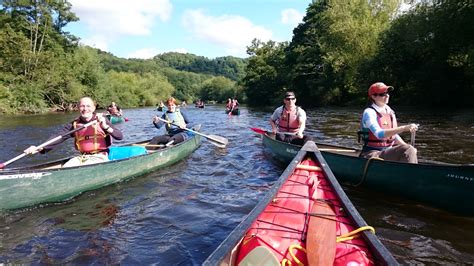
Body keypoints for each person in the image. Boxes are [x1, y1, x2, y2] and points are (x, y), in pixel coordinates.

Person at [24, 97, 123, 167]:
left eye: (88, 106)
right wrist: (39, 148)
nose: (85, 109)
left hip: (100, 157)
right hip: (82, 157)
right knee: (66, 167)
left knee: (86, 167)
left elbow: (119, 136)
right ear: (78, 108)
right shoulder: (74, 124)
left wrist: (106, 127)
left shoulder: (102, 120)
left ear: (93, 108)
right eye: (82, 106)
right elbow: (59, 137)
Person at [358, 82, 418, 163]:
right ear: (373, 96)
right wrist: (404, 128)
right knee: (408, 149)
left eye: (387, 93)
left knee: (409, 149)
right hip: (371, 153)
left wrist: (407, 146)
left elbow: (394, 135)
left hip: (387, 151)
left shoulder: (389, 111)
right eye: (382, 94)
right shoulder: (369, 113)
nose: (387, 95)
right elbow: (379, 134)